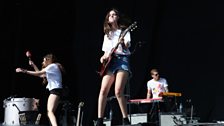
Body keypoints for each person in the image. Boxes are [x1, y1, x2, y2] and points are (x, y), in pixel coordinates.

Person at [96, 8, 132, 126]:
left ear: (117, 17)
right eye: (110, 15)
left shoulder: (124, 31)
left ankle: (125, 119)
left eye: (114, 14)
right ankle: (100, 120)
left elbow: (127, 46)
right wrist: (103, 58)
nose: (112, 16)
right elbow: (106, 52)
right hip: (111, 62)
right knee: (103, 90)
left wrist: (122, 43)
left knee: (118, 91)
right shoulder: (107, 35)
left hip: (122, 60)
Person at [15, 53, 65, 126]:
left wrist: (24, 71)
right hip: (57, 90)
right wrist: (33, 65)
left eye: (44, 60)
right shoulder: (52, 67)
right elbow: (41, 75)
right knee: (50, 113)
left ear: (49, 60)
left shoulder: (52, 66)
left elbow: (39, 73)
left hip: (55, 90)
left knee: (50, 112)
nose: (43, 62)